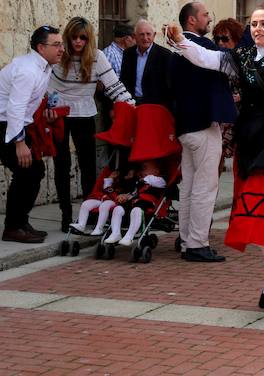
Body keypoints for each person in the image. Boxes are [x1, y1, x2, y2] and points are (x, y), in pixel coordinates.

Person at [166, 5, 264, 309]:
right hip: (252, 136)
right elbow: (207, 58)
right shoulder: (239, 57)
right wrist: (179, 42)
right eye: (253, 23)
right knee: (256, 208)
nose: (258, 28)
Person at [49, 17, 134, 231]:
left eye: (83, 38)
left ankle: (90, 210)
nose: (78, 42)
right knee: (62, 163)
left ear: (89, 39)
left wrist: (134, 108)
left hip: (85, 113)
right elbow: (43, 83)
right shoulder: (59, 56)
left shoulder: (97, 57)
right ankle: (65, 214)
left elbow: (114, 85)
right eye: (74, 37)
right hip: (59, 114)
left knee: (88, 166)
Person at [170, 2, 238, 262]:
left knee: (189, 186)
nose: (209, 18)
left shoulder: (174, 50)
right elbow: (229, 67)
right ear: (191, 20)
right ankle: (197, 242)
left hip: (185, 125)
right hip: (203, 125)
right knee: (204, 187)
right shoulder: (204, 48)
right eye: (205, 15)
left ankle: (188, 240)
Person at [0, 26, 64, 243]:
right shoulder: (28, 70)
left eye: (61, 44)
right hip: (6, 125)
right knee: (27, 172)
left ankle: (19, 222)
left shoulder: (43, 67)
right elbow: (15, 107)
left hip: (16, 125)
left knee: (34, 172)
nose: (61, 49)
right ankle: (13, 228)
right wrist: (19, 142)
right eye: (56, 45)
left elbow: (29, 103)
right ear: (40, 47)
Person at [212, 18, 244, 164]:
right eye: (217, 39)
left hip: (241, 116)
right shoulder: (215, 60)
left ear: (236, 39)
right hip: (222, 117)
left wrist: (241, 96)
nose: (220, 43)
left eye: (225, 39)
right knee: (216, 158)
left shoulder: (245, 59)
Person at [121, 19, 173, 107]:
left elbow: (169, 86)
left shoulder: (165, 55)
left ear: (154, 35)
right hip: (132, 104)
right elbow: (124, 80)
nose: (145, 38)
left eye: (148, 34)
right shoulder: (128, 54)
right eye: (141, 34)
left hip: (155, 107)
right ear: (135, 36)